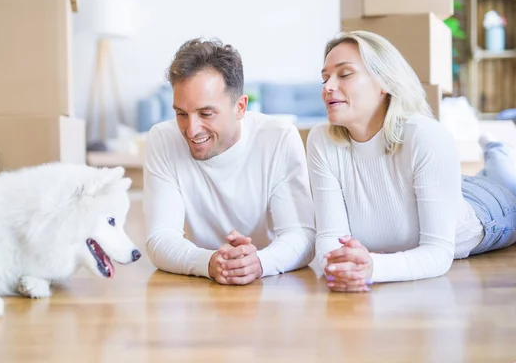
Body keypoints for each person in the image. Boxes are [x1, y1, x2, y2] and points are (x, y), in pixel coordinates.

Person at [306, 30, 516, 292]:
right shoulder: (321, 140)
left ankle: (498, 150)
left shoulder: (424, 135)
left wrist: (372, 267)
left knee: (506, 181)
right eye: (325, 78)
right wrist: (339, 263)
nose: (328, 87)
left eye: (344, 74)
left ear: (384, 81)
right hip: (437, 190)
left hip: (486, 209)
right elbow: (329, 237)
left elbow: (438, 254)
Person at [143, 38, 316, 285]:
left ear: (240, 107)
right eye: (181, 113)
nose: (191, 130)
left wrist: (259, 262)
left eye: (206, 114)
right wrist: (211, 262)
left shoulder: (278, 137)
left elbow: (302, 235)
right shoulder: (163, 139)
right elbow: (160, 237)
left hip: (273, 285)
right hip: (200, 286)